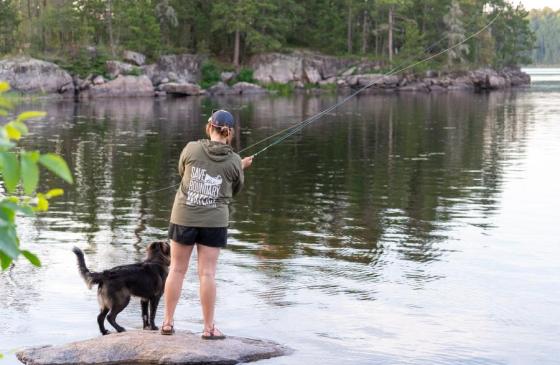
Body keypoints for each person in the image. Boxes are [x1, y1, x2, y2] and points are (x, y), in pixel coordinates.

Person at [161, 110, 253, 339]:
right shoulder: (233, 161)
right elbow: (235, 190)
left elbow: (183, 172)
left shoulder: (191, 148)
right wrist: (240, 166)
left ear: (208, 126)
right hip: (214, 222)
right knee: (207, 274)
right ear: (229, 133)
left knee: (176, 269)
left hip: (184, 216)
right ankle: (209, 328)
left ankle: (167, 323)